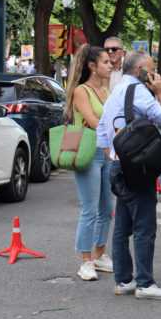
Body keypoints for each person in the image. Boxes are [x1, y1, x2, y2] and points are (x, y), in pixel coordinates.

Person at [97, 50, 161, 299]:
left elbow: (101, 129)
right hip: (136, 166)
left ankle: (123, 280)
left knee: (122, 225)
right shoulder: (139, 91)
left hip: (118, 163)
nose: (154, 73)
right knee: (144, 225)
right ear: (140, 69)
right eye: (151, 68)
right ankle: (145, 283)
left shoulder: (116, 91)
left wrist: (114, 154)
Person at [63, 45, 114, 280]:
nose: (110, 66)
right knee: (90, 208)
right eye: (105, 62)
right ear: (92, 66)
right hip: (89, 152)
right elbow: (95, 122)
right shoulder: (82, 91)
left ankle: (100, 254)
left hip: (106, 153)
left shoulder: (105, 90)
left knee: (107, 208)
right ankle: (85, 261)